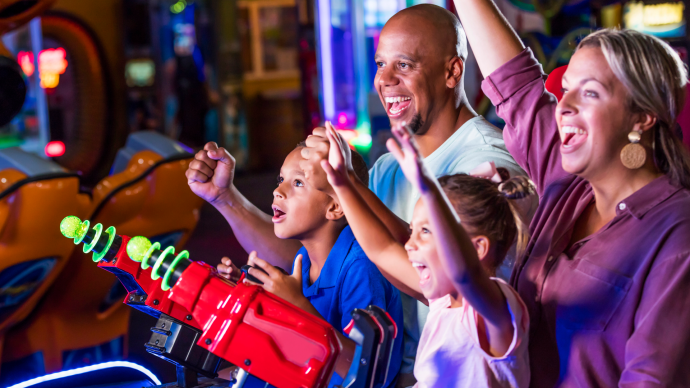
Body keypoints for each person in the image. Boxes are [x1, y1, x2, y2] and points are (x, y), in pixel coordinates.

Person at [453, 0, 690, 385]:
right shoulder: (567, 181)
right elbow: (517, 88)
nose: (563, 106)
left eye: (590, 93)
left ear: (642, 115)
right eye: (565, 90)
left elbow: (651, 378)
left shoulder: (676, 234)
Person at [299, 5, 527, 382]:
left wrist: (351, 183)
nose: (385, 80)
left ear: (452, 71)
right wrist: (227, 199)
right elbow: (335, 250)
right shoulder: (389, 165)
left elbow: (453, 283)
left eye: (403, 65)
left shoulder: (487, 163)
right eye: (380, 64)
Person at [318, 123, 531, 387]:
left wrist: (430, 192)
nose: (410, 243)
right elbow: (381, 249)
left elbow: (466, 275)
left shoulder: (495, 312)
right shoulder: (443, 299)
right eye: (414, 229)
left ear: (477, 249)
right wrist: (342, 183)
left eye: (426, 231)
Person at [208, 143, 403, 388]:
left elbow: (365, 373)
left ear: (335, 206)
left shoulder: (360, 267)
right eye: (281, 179)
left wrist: (296, 306)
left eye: (298, 182)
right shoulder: (305, 258)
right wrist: (247, 296)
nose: (278, 190)